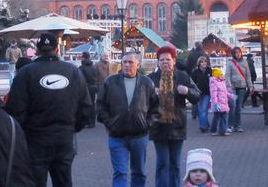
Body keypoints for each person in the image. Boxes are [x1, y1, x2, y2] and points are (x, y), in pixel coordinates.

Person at [5, 33, 93, 187]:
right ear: (57, 49)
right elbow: (86, 107)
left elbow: (15, 110)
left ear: (38, 50)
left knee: (35, 181)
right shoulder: (73, 71)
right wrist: (72, 127)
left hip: (35, 139)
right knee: (64, 180)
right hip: (64, 137)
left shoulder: (26, 73)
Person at [97, 51, 160, 187]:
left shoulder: (146, 83)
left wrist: (147, 124)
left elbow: (156, 107)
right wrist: (109, 123)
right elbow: (101, 105)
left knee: (139, 172)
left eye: (130, 62)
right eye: (124, 62)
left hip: (139, 136)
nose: (126, 65)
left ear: (138, 64)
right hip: (117, 136)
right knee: (120, 172)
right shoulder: (111, 82)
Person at [148, 45, 201, 187]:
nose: (165, 62)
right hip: (158, 126)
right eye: (162, 59)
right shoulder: (151, 79)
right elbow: (142, 101)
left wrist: (187, 91)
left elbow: (197, 96)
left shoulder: (182, 77)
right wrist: (152, 94)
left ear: (174, 61)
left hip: (177, 126)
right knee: (162, 163)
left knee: (175, 164)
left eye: (168, 59)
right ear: (158, 62)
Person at [225, 47, 251, 132]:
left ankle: (238, 125)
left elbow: (248, 75)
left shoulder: (245, 62)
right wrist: (228, 85)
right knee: (233, 106)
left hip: (242, 87)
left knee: (238, 107)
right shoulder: (230, 63)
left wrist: (250, 86)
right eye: (236, 53)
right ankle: (230, 125)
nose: (238, 54)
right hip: (233, 87)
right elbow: (227, 75)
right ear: (233, 54)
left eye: (239, 52)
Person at [189, 56, 212, 132]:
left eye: (205, 61)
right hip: (198, 93)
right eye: (202, 62)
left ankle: (203, 126)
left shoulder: (209, 70)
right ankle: (205, 125)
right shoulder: (195, 72)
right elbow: (192, 82)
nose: (204, 63)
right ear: (199, 63)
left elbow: (213, 81)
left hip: (207, 93)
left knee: (204, 109)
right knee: (201, 110)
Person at [208, 68, 233, 136]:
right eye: (221, 74)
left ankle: (222, 131)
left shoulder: (222, 82)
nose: (222, 76)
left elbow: (225, 92)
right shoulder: (214, 83)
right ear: (217, 75)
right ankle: (213, 130)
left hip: (223, 103)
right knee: (216, 117)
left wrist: (230, 95)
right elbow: (214, 95)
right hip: (218, 104)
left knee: (223, 117)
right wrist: (216, 104)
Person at [79, 51, 99, 128]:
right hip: (93, 87)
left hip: (85, 88)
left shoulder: (81, 68)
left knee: (85, 104)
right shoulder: (94, 67)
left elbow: (80, 79)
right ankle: (92, 122)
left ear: (83, 57)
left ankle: (86, 121)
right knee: (92, 104)